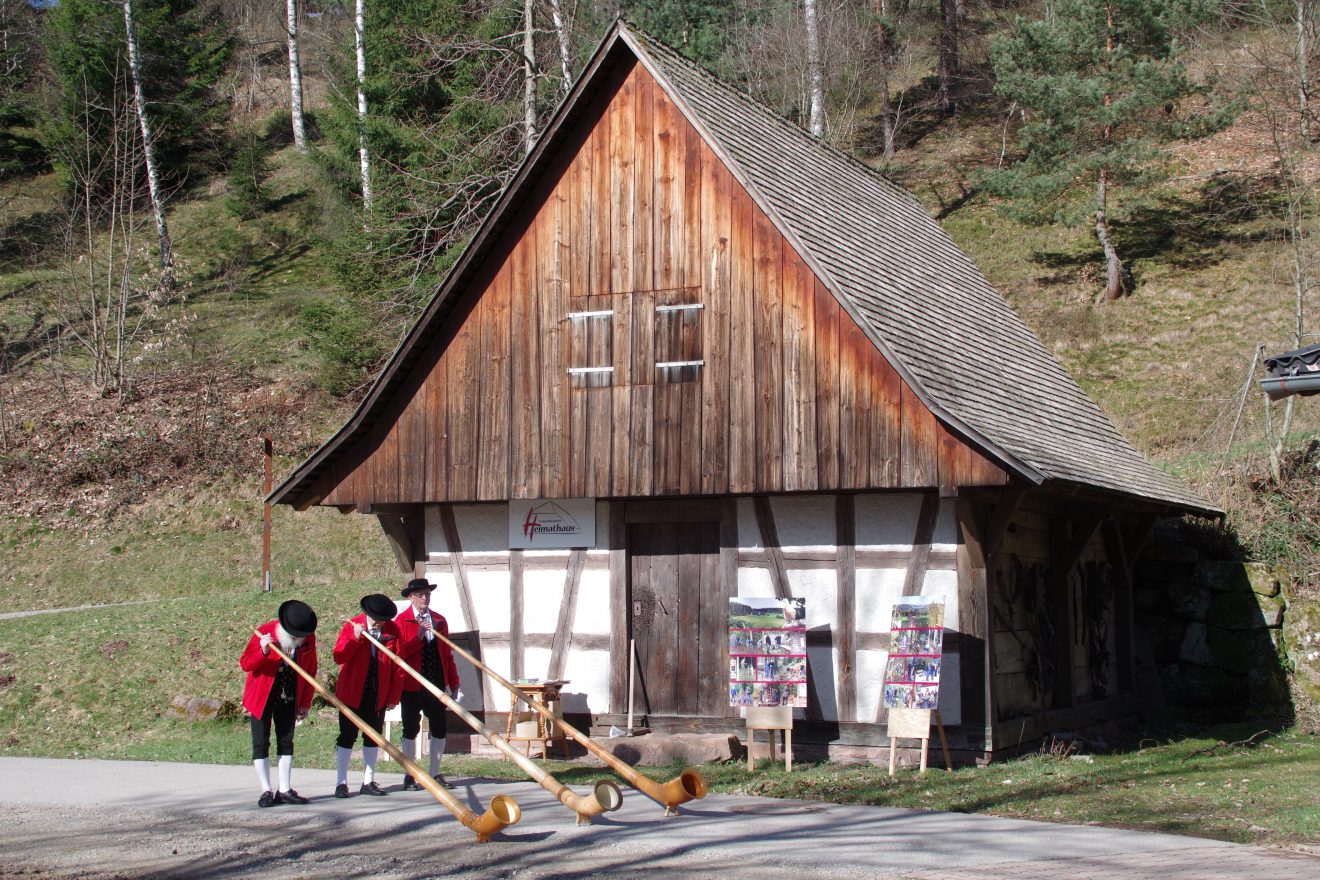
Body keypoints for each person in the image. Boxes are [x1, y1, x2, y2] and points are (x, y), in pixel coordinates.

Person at [239, 599, 318, 808]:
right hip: (262, 695)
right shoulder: (265, 632)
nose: (297, 639)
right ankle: (266, 789)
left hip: (290, 694)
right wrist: (263, 651)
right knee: (261, 741)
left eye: (299, 636)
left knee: (286, 741)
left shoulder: (308, 638)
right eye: (293, 635)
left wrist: (305, 702)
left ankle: (285, 789)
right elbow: (246, 663)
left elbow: (311, 671)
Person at [332, 593, 404, 799]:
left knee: (373, 737)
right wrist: (356, 638)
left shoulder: (392, 629)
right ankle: (341, 783)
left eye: (383, 620)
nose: (380, 624)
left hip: (378, 693)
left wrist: (393, 695)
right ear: (367, 614)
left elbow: (398, 666)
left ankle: (368, 781)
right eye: (376, 620)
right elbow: (339, 656)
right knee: (347, 736)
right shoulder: (352, 626)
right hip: (352, 692)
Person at [395, 577, 461, 789]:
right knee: (410, 728)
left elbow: (447, 654)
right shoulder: (401, 621)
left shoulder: (439, 620)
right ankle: (410, 774)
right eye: (420, 595)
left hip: (436, 681)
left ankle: (435, 772)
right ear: (411, 598)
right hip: (412, 685)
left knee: (439, 726)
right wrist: (419, 637)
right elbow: (399, 653)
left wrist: (454, 681)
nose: (425, 598)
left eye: (427, 594)